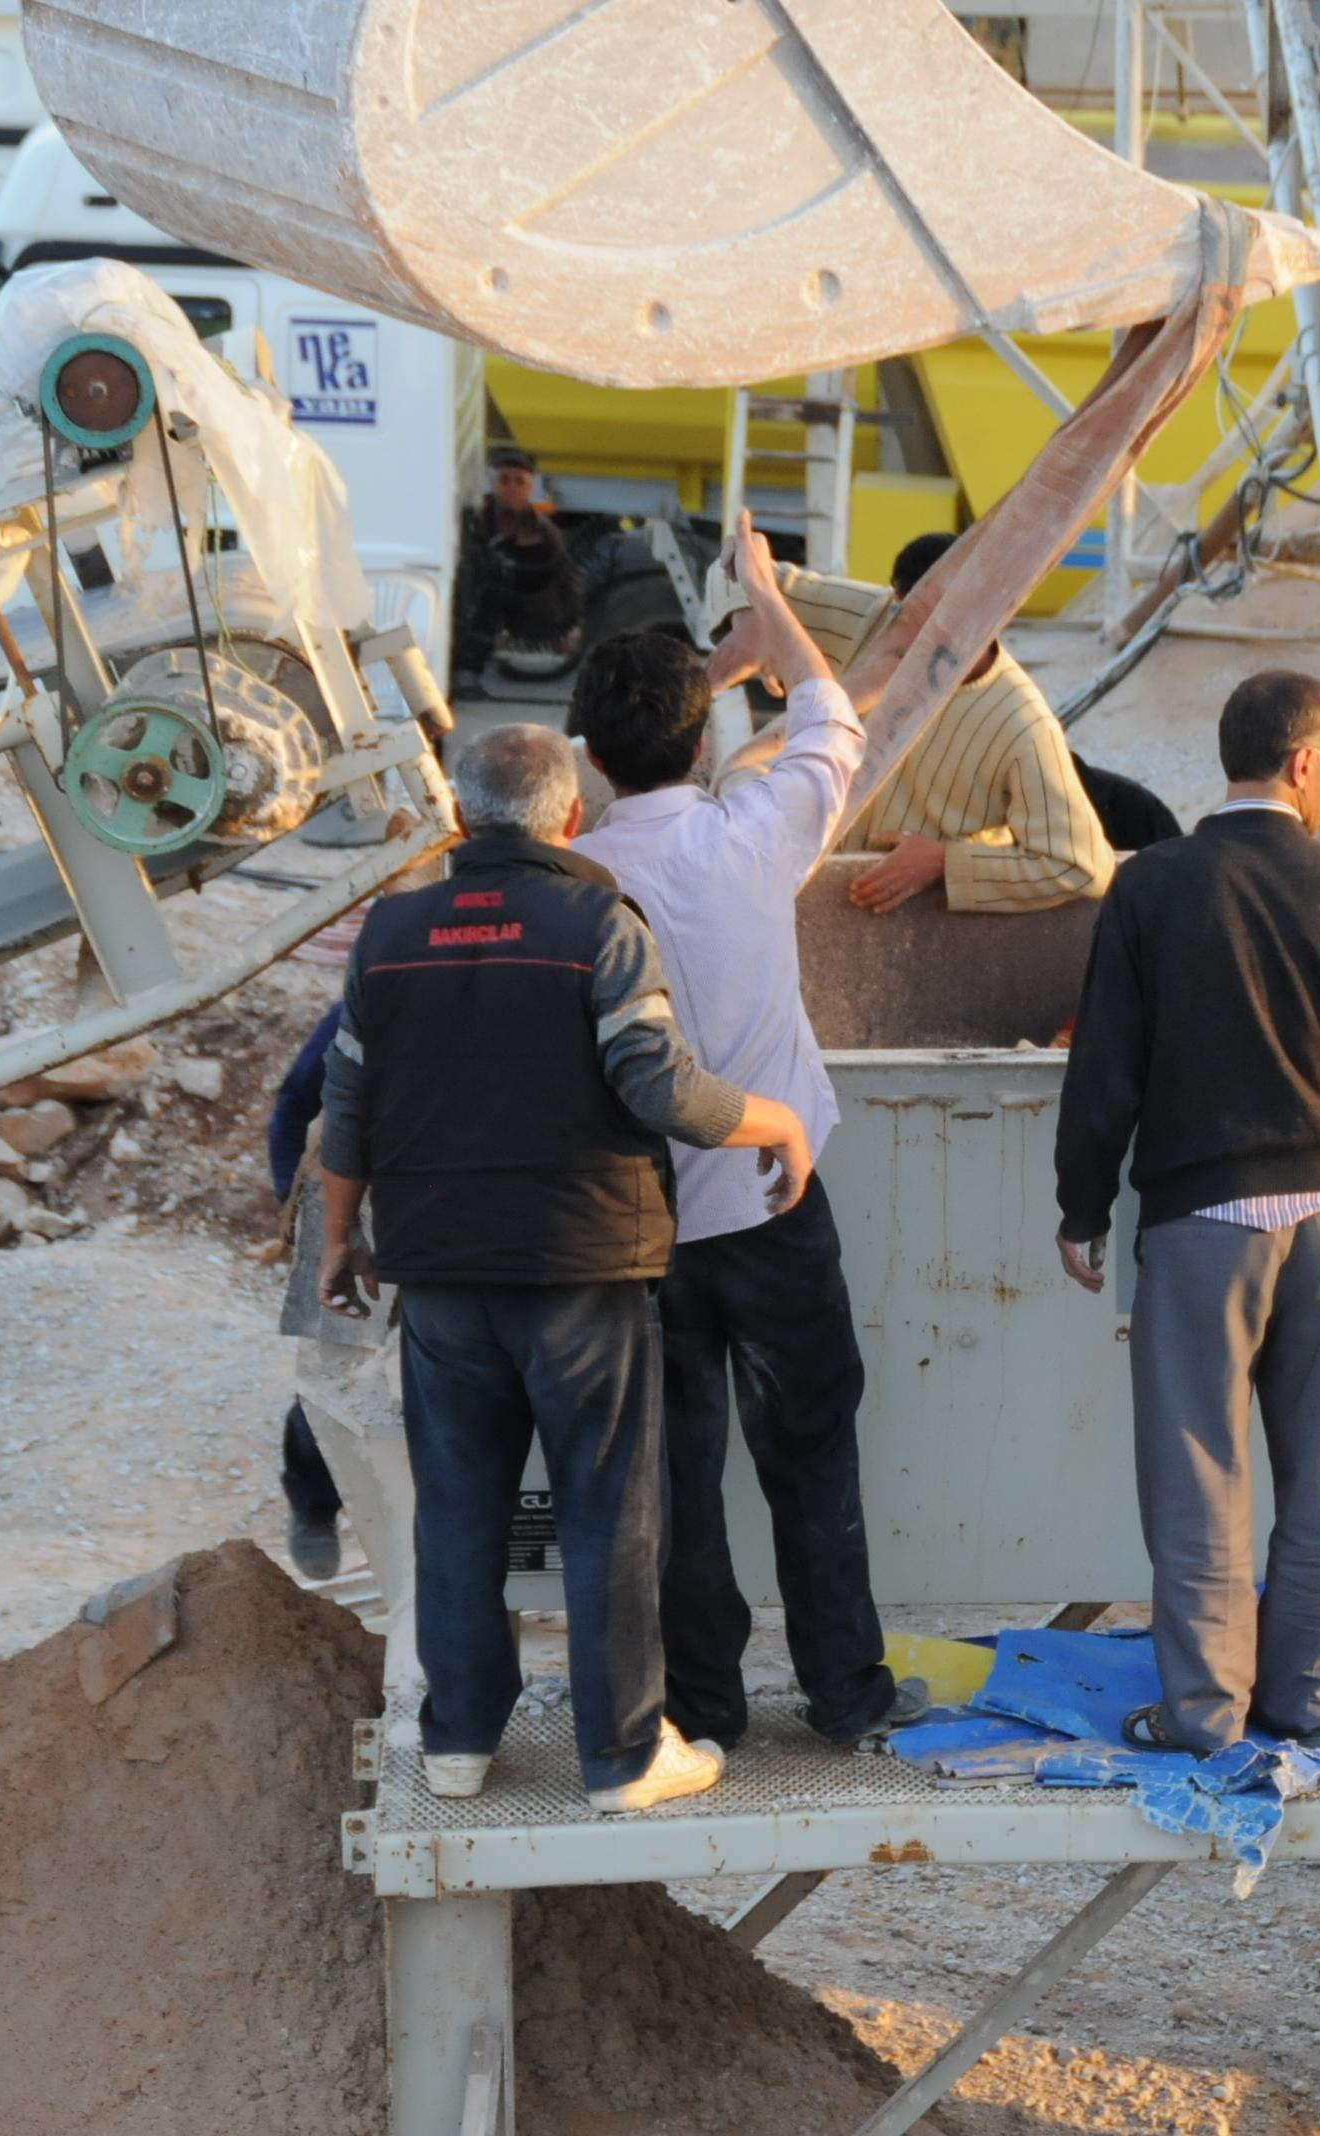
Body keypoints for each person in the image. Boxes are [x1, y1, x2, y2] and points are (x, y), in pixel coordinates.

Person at [315, 721, 816, 1815]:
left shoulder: (390, 933)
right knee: (607, 1513)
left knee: (457, 1510)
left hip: (442, 1273)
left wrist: (340, 1238)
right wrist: (778, 1122)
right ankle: (624, 1756)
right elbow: (658, 1086)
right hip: (582, 1268)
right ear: (571, 817)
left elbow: (343, 1107)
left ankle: (456, 1742)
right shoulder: (595, 921)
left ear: (459, 817)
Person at [568, 511, 922, 1755]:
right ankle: (843, 1692)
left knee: (671, 1479)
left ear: (598, 758)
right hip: (773, 1200)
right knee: (812, 1449)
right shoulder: (753, 832)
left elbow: (553, 772)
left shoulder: (577, 876)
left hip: (637, 1227)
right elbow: (831, 710)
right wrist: (764, 594)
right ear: (708, 732)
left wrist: (679, 685)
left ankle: (703, 1704)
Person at [1052, 671, 1320, 1755]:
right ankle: (1306, 1700)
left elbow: (1105, 1072)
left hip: (1201, 1220)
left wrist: (1083, 1206)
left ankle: (1205, 1712)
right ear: (1302, 762)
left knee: (1197, 1468)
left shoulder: (1153, 888)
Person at [765, 531, 1117, 914]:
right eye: (898, 614)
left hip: (900, 942)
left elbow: (1081, 866)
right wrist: (753, 627)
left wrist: (944, 862)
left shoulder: (1022, 724)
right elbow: (741, 569)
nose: (898, 633)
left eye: (916, 619)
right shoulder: (874, 619)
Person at [266, 1000, 347, 1578]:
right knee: (332, 1371)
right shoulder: (376, 990)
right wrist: (295, 1202)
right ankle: (315, 1509)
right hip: (351, 1205)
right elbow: (297, 1097)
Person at [453, 446, 584, 679]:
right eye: (505, 480)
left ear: (529, 488)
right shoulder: (478, 522)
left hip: (532, 614)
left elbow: (554, 578)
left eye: (519, 482)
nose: (511, 488)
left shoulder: (545, 532)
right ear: (494, 485)